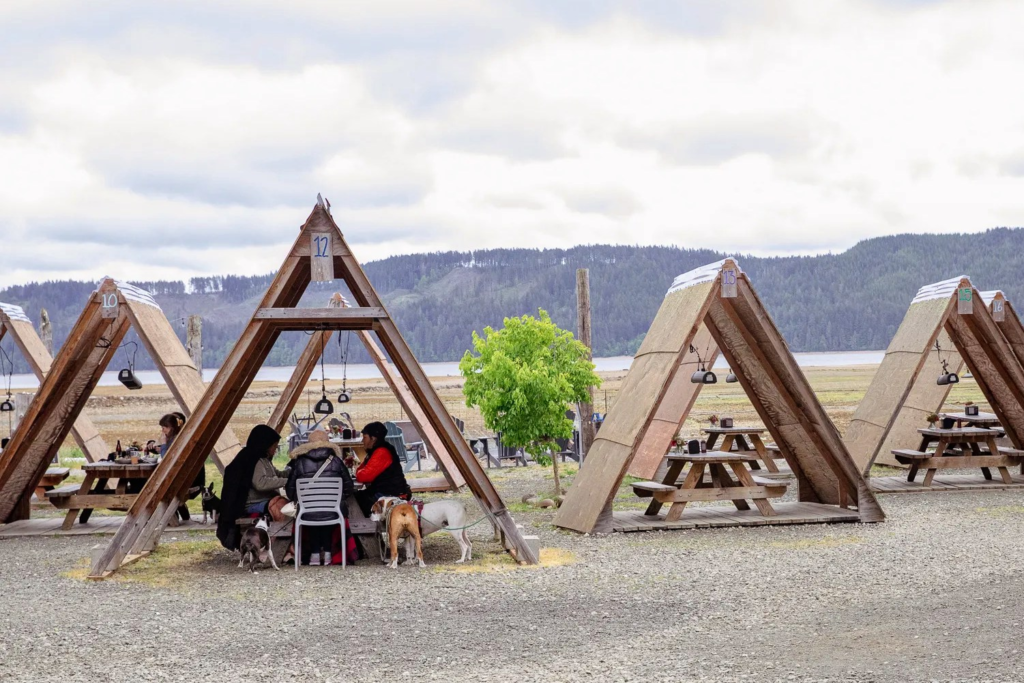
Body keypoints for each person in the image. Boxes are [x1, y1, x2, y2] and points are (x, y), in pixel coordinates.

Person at [285, 430, 354, 565]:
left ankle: (314, 555)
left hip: (306, 511)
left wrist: (304, 500)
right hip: (334, 511)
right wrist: (337, 499)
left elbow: (290, 491)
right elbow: (349, 487)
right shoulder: (336, 461)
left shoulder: (299, 462)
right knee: (326, 513)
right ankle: (328, 554)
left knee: (314, 513)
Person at [216, 425, 285, 550]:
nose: (275, 449)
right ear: (265, 443)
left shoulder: (264, 459)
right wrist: (287, 481)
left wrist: (294, 473)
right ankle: (280, 547)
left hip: (261, 500)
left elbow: (277, 474)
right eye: (274, 446)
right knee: (283, 508)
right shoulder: (254, 460)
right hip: (252, 503)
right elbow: (260, 483)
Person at [354, 421, 412, 516]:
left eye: (364, 437)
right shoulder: (375, 451)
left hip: (390, 493)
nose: (362, 441)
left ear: (373, 438)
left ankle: (366, 527)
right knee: (357, 497)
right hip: (384, 490)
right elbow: (361, 469)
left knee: (353, 500)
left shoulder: (381, 452)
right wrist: (359, 471)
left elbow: (363, 476)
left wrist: (359, 471)